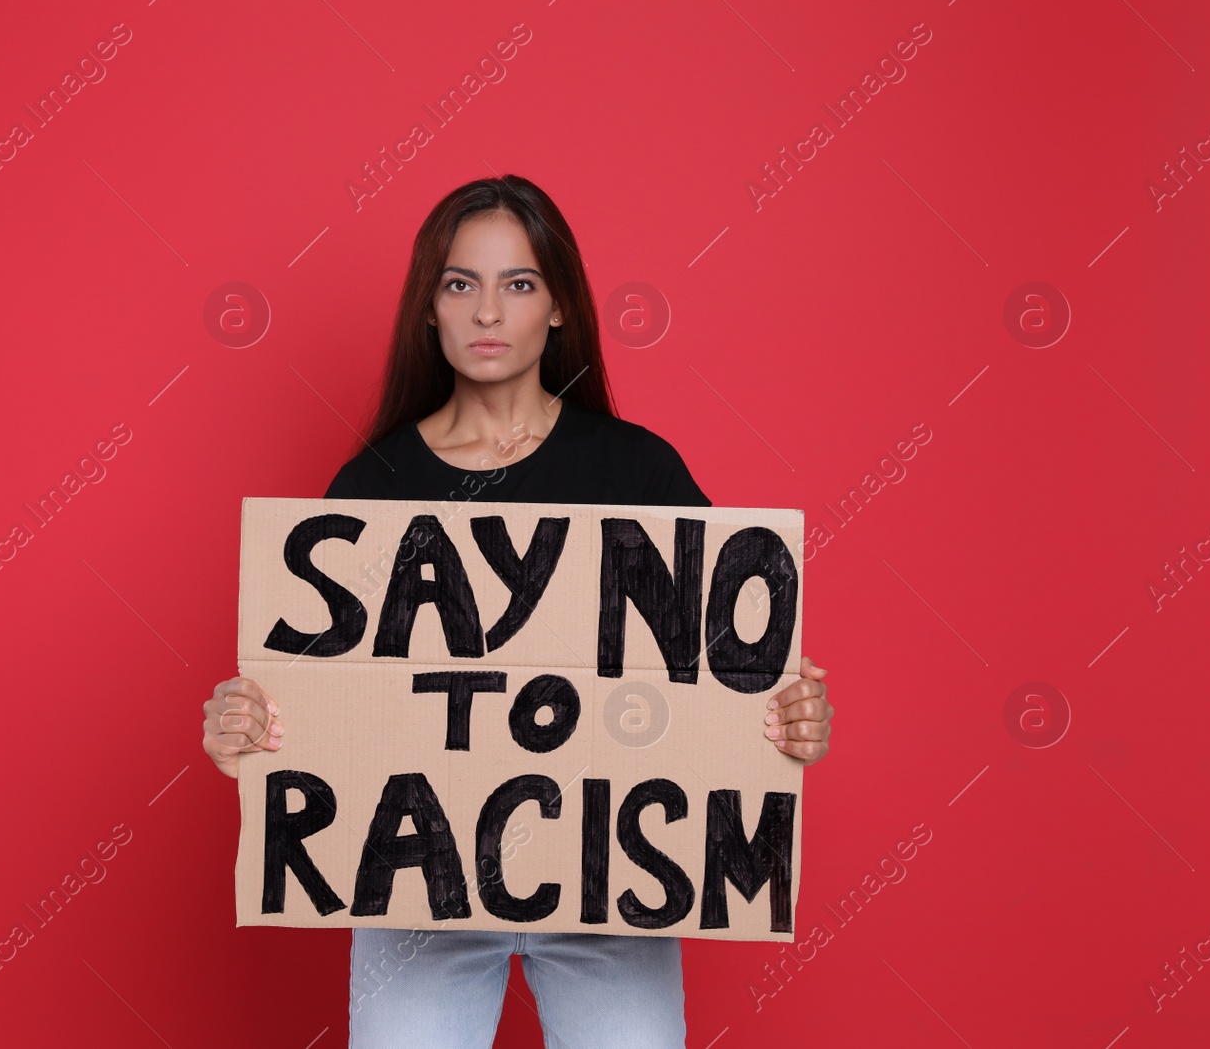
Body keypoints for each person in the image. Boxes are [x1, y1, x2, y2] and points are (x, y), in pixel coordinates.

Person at [200, 174, 835, 1048]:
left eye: (519, 284)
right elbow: (324, 704)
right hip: (421, 890)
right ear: (430, 308)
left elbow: (721, 666)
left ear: (560, 308)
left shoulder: (638, 473)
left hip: (610, 887)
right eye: (461, 284)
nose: (488, 311)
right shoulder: (374, 489)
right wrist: (248, 730)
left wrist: (785, 712)